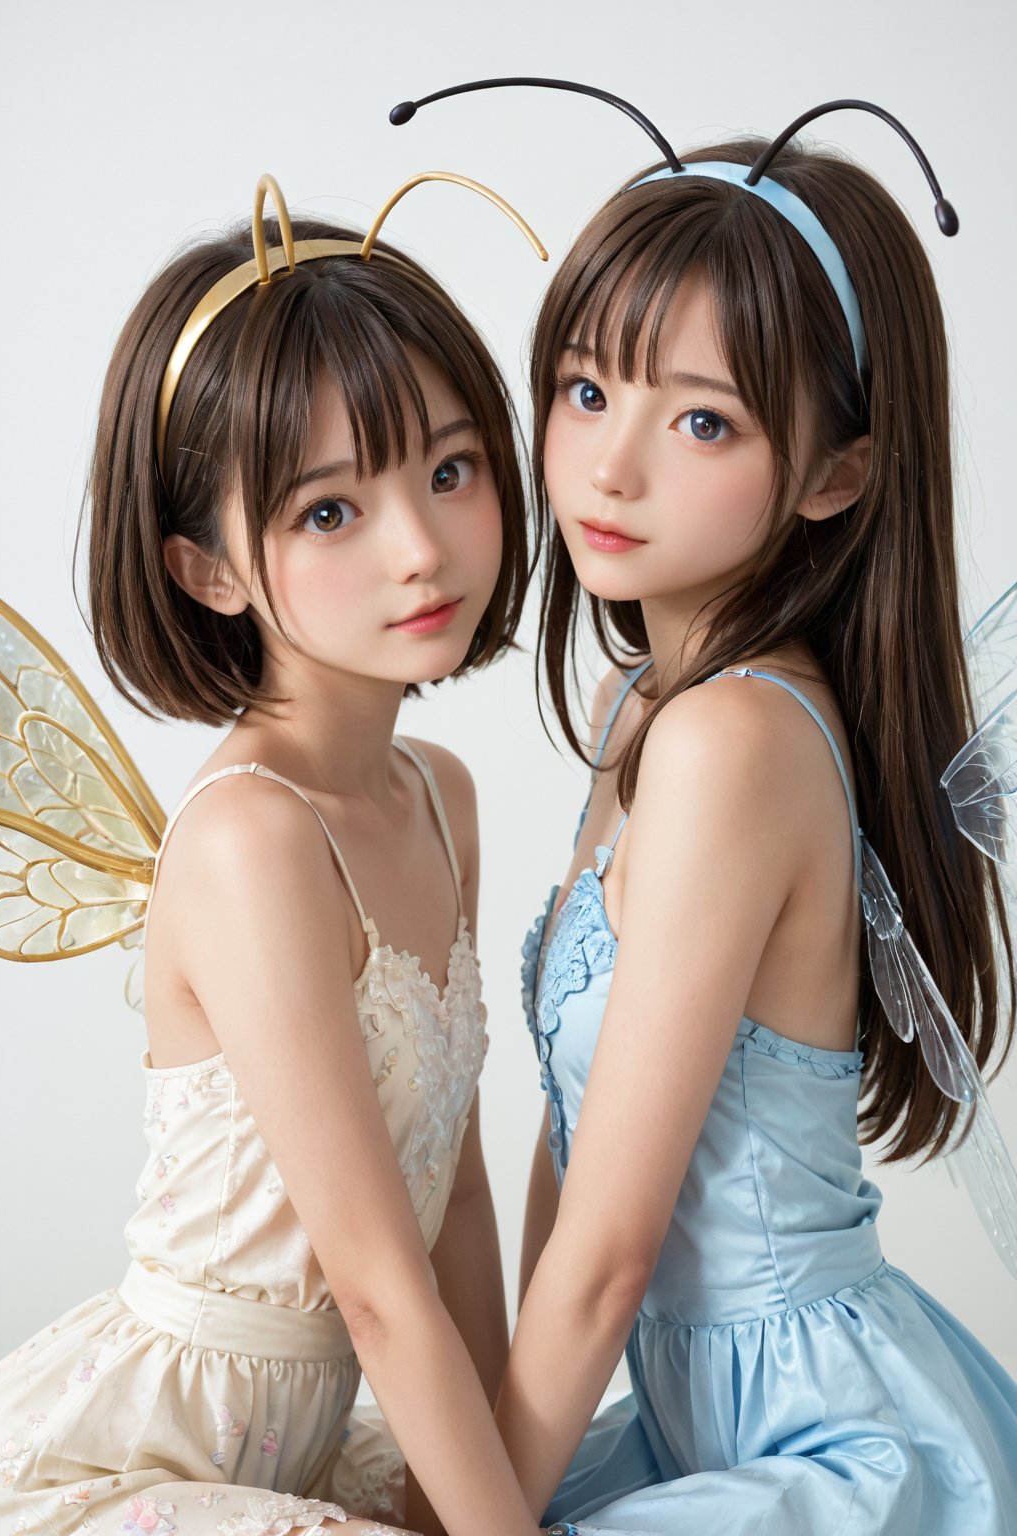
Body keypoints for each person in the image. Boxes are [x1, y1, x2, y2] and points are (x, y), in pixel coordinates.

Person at [0, 175, 544, 1536]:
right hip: (155, 1461)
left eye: (450, 470)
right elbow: (370, 1278)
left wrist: (459, 1495)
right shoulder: (250, 838)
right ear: (206, 571)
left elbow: (456, 1197)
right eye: (329, 512)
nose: (421, 548)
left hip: (303, 1444)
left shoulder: (442, 795)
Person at [499, 112, 1017, 1532]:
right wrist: (488, 1463)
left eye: (704, 419)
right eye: (587, 389)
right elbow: (572, 1167)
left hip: (814, 1446)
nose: (611, 465)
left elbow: (611, 1257)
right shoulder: (639, 710)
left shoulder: (735, 741)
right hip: (682, 1421)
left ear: (837, 475)